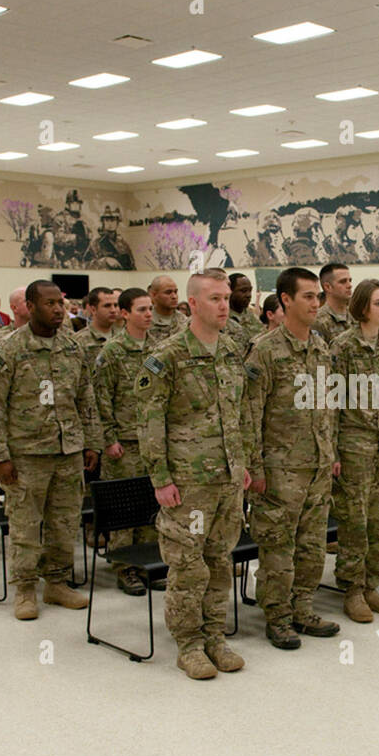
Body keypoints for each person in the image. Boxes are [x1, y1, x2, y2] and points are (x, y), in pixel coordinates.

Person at [135, 272, 249, 680]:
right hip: (188, 482)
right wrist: (161, 479)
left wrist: (243, 463)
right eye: (215, 298)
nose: (224, 305)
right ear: (193, 304)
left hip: (227, 478)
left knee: (220, 560)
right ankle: (189, 643)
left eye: (226, 298)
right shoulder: (166, 357)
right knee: (187, 565)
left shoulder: (232, 351)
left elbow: (240, 415)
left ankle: (215, 635)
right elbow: (149, 423)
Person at [0, 280, 100, 619]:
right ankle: (25, 588)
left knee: (64, 523)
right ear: (29, 307)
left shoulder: (72, 347)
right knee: (26, 525)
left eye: (60, 303)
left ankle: (57, 582)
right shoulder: (9, 350)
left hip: (68, 451)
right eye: (49, 304)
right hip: (26, 454)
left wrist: (92, 442)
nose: (58, 309)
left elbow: (85, 397)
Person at [245, 267, 341, 647]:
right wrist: (255, 468)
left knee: (312, 544)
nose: (316, 302)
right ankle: (278, 615)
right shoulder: (264, 351)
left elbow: (328, 406)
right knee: (277, 546)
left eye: (318, 295)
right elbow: (249, 414)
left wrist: (329, 452)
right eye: (308, 296)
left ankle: (303, 607)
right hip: (279, 469)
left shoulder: (320, 348)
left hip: (316, 465)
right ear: (285, 300)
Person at [329, 278, 379, 621]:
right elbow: (330, 403)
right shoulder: (342, 347)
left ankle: (372, 583)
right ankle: (353, 589)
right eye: (378, 303)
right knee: (354, 523)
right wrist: (333, 451)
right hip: (355, 445)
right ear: (362, 307)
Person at [93, 287, 156, 596]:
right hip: (124, 442)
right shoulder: (113, 352)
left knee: (152, 503)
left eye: (150, 309)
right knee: (125, 508)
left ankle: (149, 561)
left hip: (152, 440)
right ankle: (124, 566)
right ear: (126, 313)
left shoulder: (158, 349)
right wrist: (109, 438)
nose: (148, 315)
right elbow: (100, 398)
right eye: (142, 309)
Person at [74, 287, 118, 368]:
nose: (113, 310)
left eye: (115, 305)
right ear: (93, 309)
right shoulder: (78, 341)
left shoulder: (122, 338)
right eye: (107, 306)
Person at [314, 262, 353, 343]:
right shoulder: (318, 321)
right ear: (328, 287)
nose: (349, 285)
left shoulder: (357, 316)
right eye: (343, 281)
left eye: (350, 280)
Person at [224, 273, 260, 355]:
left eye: (250, 290)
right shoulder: (222, 317)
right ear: (230, 292)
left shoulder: (251, 316)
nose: (248, 295)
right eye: (243, 291)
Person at [147, 275, 187, 347]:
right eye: (168, 292)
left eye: (175, 292)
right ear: (153, 295)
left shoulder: (184, 321)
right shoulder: (146, 321)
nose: (174, 296)